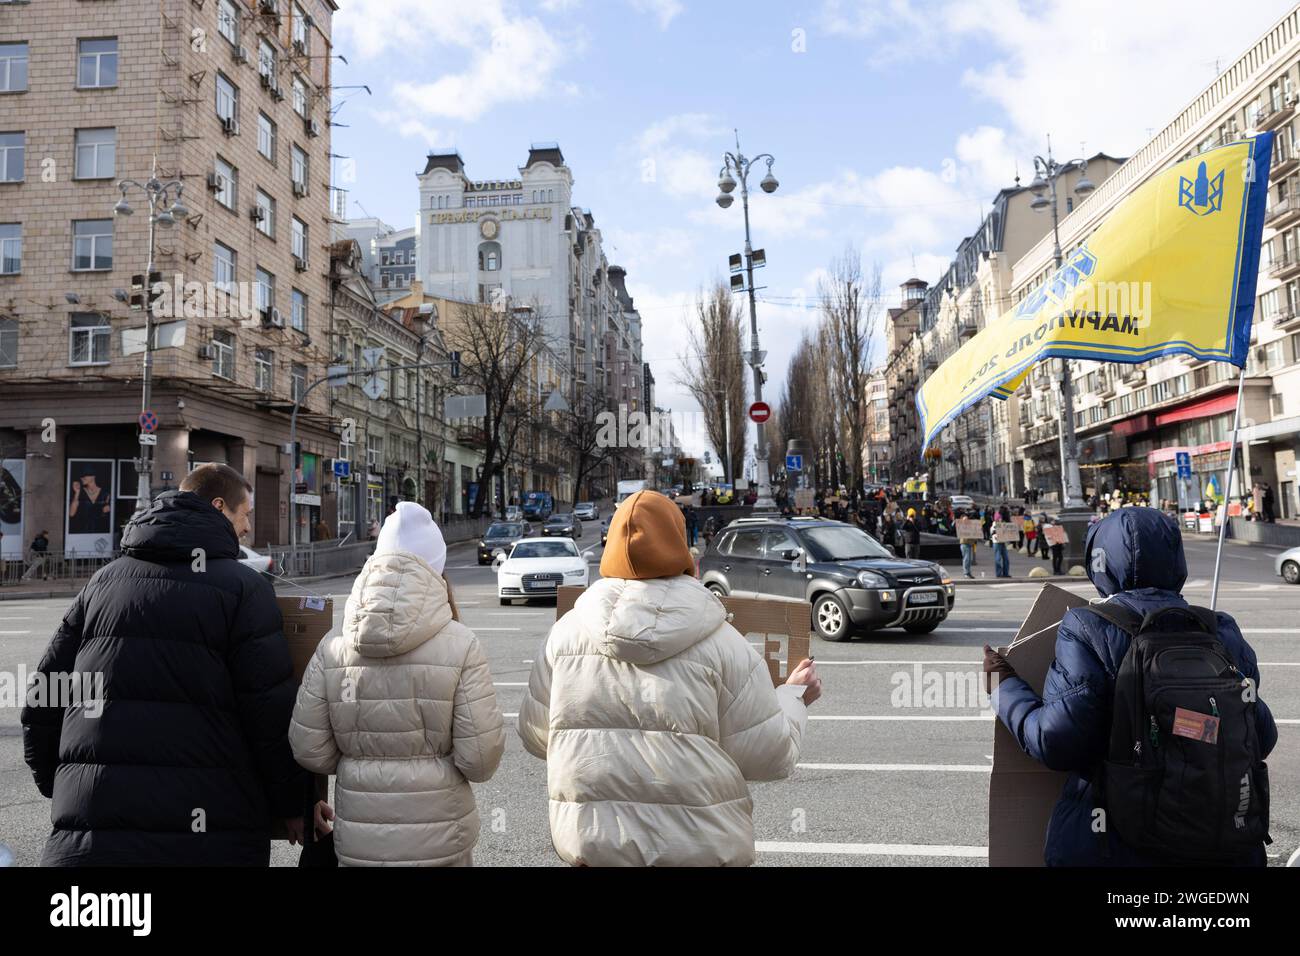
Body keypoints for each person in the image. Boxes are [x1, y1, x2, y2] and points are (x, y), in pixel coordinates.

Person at [22, 463, 310, 865]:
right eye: (245, 514)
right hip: (209, 833)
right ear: (219, 506)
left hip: (94, 835)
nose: (246, 529)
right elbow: (268, 712)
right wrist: (292, 803)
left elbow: (43, 695)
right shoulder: (243, 589)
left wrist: (65, 784)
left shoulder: (103, 582)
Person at [517, 490, 820, 865]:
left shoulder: (563, 637)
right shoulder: (725, 645)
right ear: (682, 550)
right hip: (700, 850)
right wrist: (793, 697)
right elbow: (770, 757)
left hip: (595, 850)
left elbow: (536, 737)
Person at [985, 508, 1277, 866]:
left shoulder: (1087, 625)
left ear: (1100, 562)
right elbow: (1261, 736)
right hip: (1224, 840)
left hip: (1116, 844)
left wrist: (1003, 687)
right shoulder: (1221, 630)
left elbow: (1058, 741)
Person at [289, 502, 505, 866]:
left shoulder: (334, 647)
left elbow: (310, 748)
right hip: (441, 840)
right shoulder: (461, 645)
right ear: (437, 568)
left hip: (360, 841)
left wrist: (358, 759)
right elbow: (480, 761)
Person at [956, 510, 981, 579]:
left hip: (969, 543)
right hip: (965, 543)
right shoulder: (964, 521)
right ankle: (966, 573)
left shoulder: (970, 523)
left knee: (969, 559)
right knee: (966, 559)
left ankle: (968, 572)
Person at [991, 508, 1011, 578]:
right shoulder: (995, 523)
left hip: (1002, 541)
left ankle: (1005, 573)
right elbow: (992, 532)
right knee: (998, 558)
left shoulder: (1003, 522)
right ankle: (999, 573)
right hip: (996, 542)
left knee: (1006, 558)